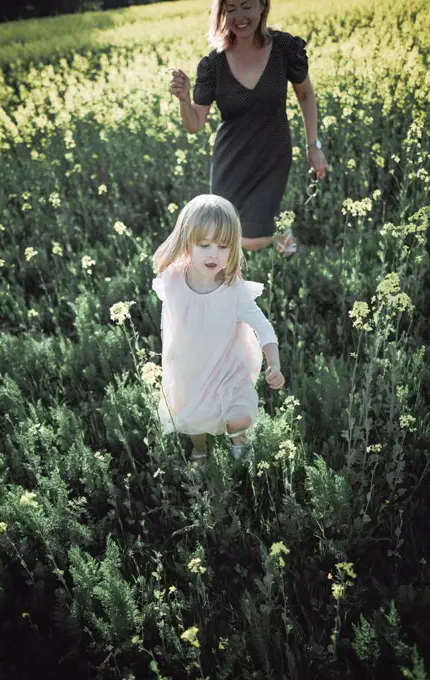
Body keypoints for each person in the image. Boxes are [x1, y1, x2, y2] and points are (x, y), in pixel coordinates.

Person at [169, 0, 329, 255]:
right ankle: (273, 248)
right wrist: (185, 100)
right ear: (222, 13)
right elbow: (195, 124)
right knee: (227, 230)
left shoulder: (285, 48)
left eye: (246, 6)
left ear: (262, 7)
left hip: (273, 154)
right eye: (231, 9)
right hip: (231, 159)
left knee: (252, 239)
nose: (239, 17)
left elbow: (306, 95)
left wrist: (313, 146)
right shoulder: (213, 64)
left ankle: (278, 234)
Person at [152, 194, 285, 464]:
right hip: (191, 370)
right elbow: (171, 322)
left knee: (239, 417)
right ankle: (199, 451)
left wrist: (274, 363)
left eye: (223, 246)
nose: (214, 254)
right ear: (187, 242)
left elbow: (264, 327)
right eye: (204, 244)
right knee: (195, 423)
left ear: (234, 248)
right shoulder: (174, 281)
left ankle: (239, 442)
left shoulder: (232, 291)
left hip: (228, 368)